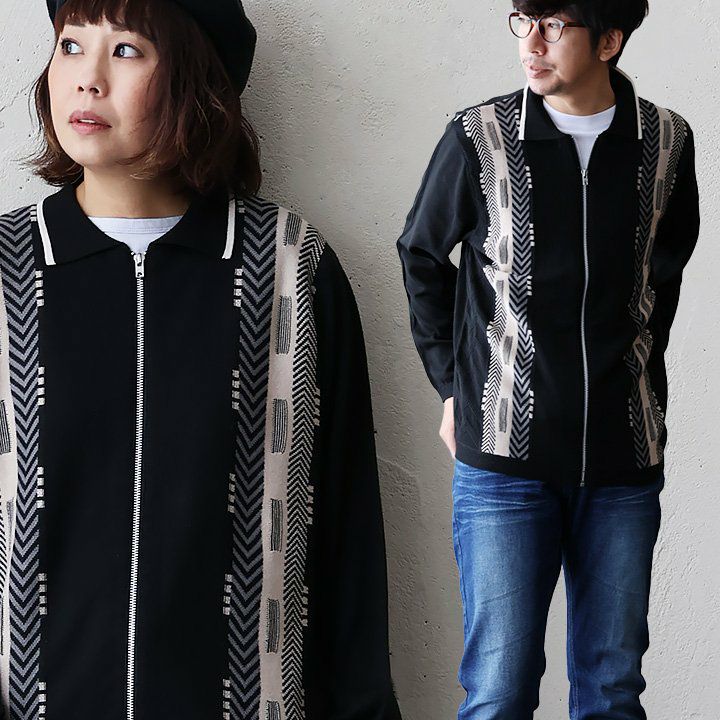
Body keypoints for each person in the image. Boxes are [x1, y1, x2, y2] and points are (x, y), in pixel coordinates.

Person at [0, 1, 402, 718]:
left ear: (195, 81)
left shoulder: (290, 269)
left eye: (127, 50)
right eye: (70, 45)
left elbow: (346, 536)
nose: (87, 79)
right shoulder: (7, 271)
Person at [397, 0, 700, 717]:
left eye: (555, 24)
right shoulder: (480, 136)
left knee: (612, 692)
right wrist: (453, 387)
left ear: (610, 40)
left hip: (623, 464)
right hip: (504, 464)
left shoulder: (665, 142)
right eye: (522, 20)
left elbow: (663, 275)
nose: (531, 41)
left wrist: (638, 386)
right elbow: (421, 254)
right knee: (499, 693)